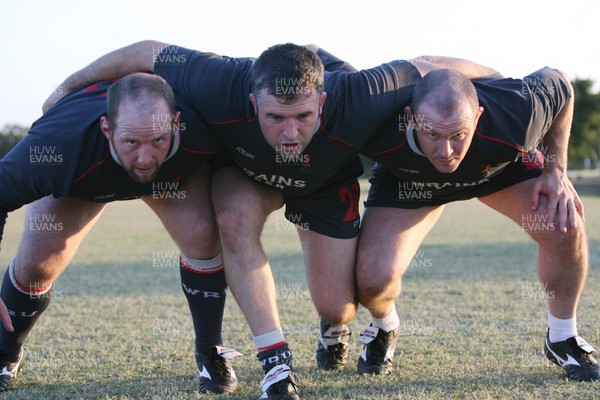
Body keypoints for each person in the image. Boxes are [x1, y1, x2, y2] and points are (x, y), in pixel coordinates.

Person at [44, 42, 501, 398]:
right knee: (231, 214)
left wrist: (502, 80)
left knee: (335, 306)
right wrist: (66, 86)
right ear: (250, 99)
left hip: (323, 183)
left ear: (322, 101)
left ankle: (366, 324)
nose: (289, 132)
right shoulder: (218, 80)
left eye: (303, 116)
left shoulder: (360, 92)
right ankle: (275, 362)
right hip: (250, 176)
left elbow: (430, 63)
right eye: (274, 116)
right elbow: (147, 51)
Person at [0, 73, 241, 394]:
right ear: (107, 129)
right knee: (37, 264)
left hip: (170, 175)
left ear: (175, 123)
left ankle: (211, 350)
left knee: (202, 232)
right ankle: (6, 352)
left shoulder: (201, 123)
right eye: (131, 141)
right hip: (86, 177)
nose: (144, 157)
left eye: (157, 139)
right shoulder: (58, 146)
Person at [355, 66, 600, 381]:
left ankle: (562, 336)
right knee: (373, 280)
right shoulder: (376, 115)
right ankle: (383, 325)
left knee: (563, 220)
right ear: (411, 118)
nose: (446, 151)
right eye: (432, 134)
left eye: (459, 134)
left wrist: (557, 171)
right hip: (410, 180)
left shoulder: (516, 112)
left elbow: (561, 85)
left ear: (479, 117)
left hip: (497, 171)